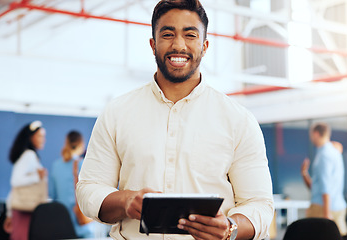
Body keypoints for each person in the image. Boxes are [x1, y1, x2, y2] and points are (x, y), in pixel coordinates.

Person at [76, 0, 274, 239]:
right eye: (168, 34)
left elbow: (260, 204)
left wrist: (230, 227)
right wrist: (126, 200)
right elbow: (88, 190)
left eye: (190, 35)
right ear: (153, 44)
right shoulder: (117, 113)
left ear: (204, 45)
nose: (179, 45)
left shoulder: (239, 120)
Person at [301, 122, 347, 236]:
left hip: (323, 208)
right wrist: (304, 173)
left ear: (316, 134)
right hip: (338, 206)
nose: (311, 138)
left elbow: (326, 188)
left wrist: (326, 215)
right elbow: (317, 186)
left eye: (311, 135)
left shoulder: (324, 156)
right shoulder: (334, 151)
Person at [3, 120, 47, 240]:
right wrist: (38, 177)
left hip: (22, 209)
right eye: (40, 136)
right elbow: (15, 181)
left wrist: (9, 213)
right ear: (31, 137)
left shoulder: (28, 155)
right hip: (24, 210)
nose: (43, 139)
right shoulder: (29, 155)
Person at [49, 130, 96, 238]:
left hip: (62, 225)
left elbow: (53, 195)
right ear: (81, 144)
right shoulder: (83, 164)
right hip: (83, 226)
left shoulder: (56, 166)